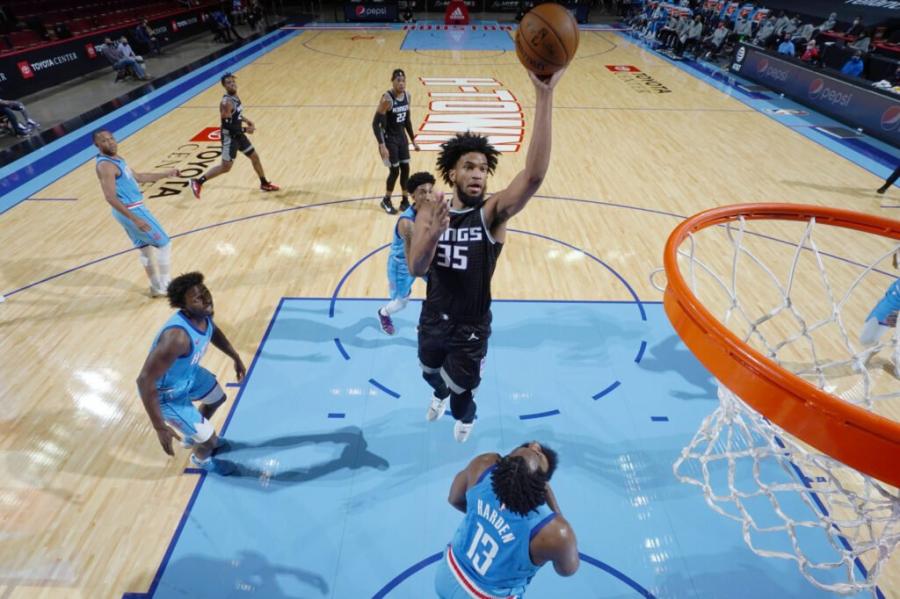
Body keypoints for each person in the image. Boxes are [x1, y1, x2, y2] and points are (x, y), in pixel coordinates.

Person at [407, 67, 566, 442]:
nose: (478, 174)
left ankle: (467, 417)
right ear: (452, 173)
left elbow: (533, 177)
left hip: (471, 327)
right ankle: (439, 393)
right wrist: (433, 236)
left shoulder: (492, 213)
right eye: (469, 167)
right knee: (429, 374)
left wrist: (544, 96)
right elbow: (416, 268)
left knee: (462, 398)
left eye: (483, 168)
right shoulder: (429, 210)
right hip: (433, 316)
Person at [434, 441, 579, 598]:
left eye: (537, 453)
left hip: (448, 573)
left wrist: (487, 519)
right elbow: (567, 569)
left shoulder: (483, 466)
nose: (535, 445)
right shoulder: (555, 532)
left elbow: (454, 499)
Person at [136, 272, 246, 475]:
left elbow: (213, 331)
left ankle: (192, 435)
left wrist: (235, 356)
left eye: (205, 292)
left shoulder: (203, 314)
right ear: (184, 306)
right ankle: (201, 459)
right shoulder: (177, 338)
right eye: (197, 298)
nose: (206, 299)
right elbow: (144, 380)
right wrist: (159, 427)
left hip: (188, 375)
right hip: (166, 395)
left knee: (217, 399)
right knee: (210, 441)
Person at [94, 129, 176, 296]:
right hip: (132, 210)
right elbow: (110, 197)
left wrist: (165, 174)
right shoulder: (106, 166)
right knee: (164, 244)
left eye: (111, 138)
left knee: (145, 249)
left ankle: (155, 286)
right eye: (104, 140)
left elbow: (139, 177)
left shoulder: (117, 159)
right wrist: (135, 219)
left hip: (128, 211)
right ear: (97, 145)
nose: (110, 142)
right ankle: (166, 286)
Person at [190, 73, 279, 198]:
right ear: (224, 86)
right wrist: (245, 129)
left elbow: (236, 113)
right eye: (228, 83)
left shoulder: (235, 96)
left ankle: (264, 183)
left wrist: (246, 120)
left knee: (254, 157)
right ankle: (198, 182)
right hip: (230, 137)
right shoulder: (226, 102)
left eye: (233, 82)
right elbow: (227, 126)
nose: (232, 84)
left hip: (238, 134)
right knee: (225, 167)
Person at [378, 172, 435, 335]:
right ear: (412, 196)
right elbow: (413, 265)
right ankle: (384, 313)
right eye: (422, 192)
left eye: (430, 191)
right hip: (403, 265)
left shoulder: (432, 209)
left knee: (441, 290)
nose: (428, 196)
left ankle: (425, 324)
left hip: (422, 258)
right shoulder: (407, 223)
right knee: (401, 302)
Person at [373, 68, 421, 215]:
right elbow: (375, 124)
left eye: (403, 80)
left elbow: (407, 121)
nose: (401, 83)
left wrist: (413, 140)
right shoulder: (387, 99)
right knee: (394, 171)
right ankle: (386, 200)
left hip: (402, 138)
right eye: (398, 80)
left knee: (406, 168)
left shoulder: (408, 96)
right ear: (392, 82)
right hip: (389, 140)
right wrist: (382, 146)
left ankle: (404, 201)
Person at [859, 274, 899, 374]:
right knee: (866, 339)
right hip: (894, 302)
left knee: (898, 353)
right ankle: (875, 347)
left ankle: (897, 356)